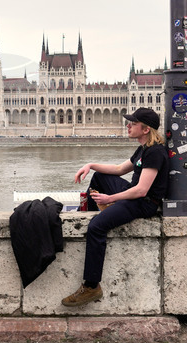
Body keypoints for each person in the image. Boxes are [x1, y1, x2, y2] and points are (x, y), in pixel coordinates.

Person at [62, 107, 169, 307]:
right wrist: (90, 165)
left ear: (145, 129)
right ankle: (89, 211)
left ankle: (92, 286)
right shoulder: (144, 148)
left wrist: (110, 197)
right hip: (134, 195)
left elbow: (141, 191)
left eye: (132, 123)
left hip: (144, 204)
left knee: (96, 226)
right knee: (100, 177)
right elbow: (119, 169)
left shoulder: (155, 152)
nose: (127, 125)